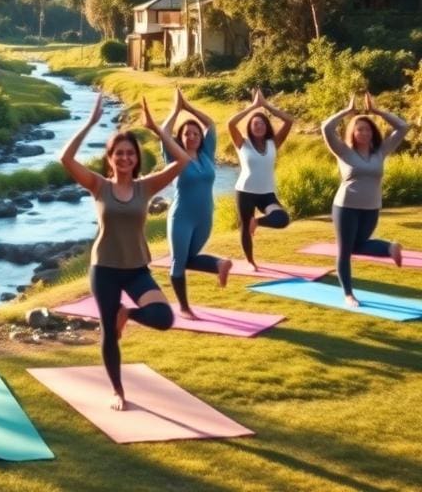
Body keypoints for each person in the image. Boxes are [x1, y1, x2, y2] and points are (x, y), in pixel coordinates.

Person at [61, 93, 189, 411]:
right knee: (108, 334)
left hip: (136, 268)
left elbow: (183, 161)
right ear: (110, 158)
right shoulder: (98, 185)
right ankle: (117, 390)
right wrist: (90, 122)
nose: (125, 158)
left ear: (136, 158)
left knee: (163, 317)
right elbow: (65, 159)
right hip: (104, 268)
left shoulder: (146, 186)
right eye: (119, 154)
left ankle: (126, 314)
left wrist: (157, 129)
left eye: (130, 153)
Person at [321, 92, 409, 307]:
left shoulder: (381, 151)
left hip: (371, 208)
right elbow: (326, 128)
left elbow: (403, 127)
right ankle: (349, 294)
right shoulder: (343, 151)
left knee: (357, 245)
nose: (364, 132)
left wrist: (377, 111)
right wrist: (347, 112)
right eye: (359, 128)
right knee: (345, 251)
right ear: (353, 132)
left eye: (368, 128)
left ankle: (390, 248)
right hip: (346, 207)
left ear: (372, 132)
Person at [161, 87, 232, 319]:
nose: (191, 136)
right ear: (180, 138)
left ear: (200, 138)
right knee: (178, 263)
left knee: (188, 259)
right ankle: (184, 307)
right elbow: (164, 131)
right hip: (181, 217)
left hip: (205, 217)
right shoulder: (174, 155)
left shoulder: (207, 154)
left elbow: (211, 124)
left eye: (195, 133)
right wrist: (175, 110)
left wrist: (189, 107)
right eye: (186, 134)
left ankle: (220, 264)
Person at [227, 88, 294, 269]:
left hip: (266, 193)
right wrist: (253, 107)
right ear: (250, 127)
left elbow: (289, 121)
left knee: (282, 219)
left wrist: (266, 105)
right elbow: (230, 124)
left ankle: (256, 222)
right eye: (255, 124)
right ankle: (250, 261)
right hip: (245, 192)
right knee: (245, 230)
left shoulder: (274, 143)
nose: (259, 126)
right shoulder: (242, 143)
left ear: (267, 127)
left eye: (262, 124)